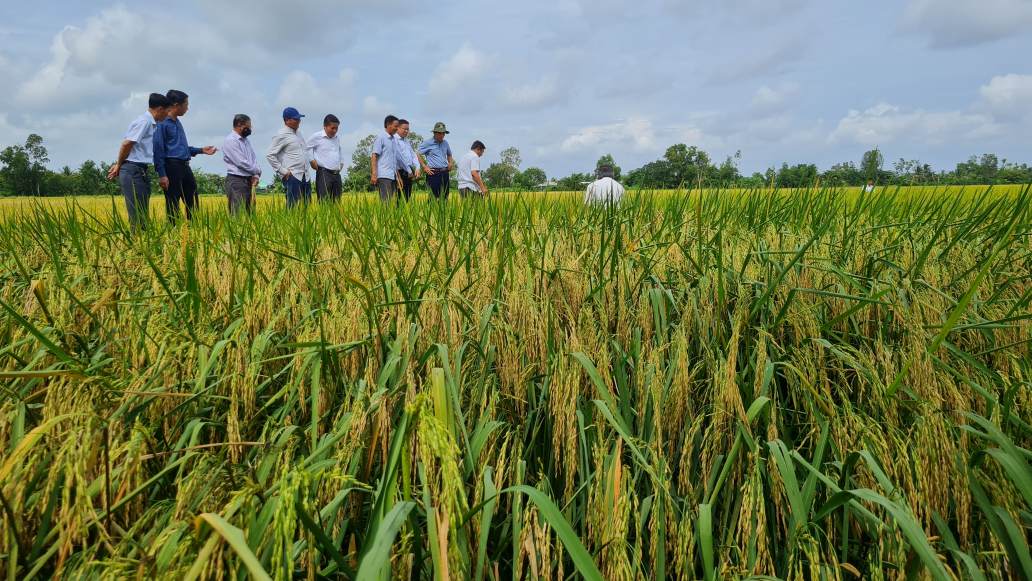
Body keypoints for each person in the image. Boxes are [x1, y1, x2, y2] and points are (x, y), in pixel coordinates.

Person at [107, 92, 170, 229]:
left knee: (142, 214)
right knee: (137, 215)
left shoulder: (150, 123)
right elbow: (127, 144)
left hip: (139, 170)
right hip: (133, 170)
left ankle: (143, 244)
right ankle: (137, 245)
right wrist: (119, 164)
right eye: (167, 111)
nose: (167, 115)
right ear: (160, 109)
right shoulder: (145, 122)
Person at [153, 90, 218, 223]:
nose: (187, 108)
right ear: (176, 105)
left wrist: (201, 150)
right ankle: (174, 232)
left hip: (184, 165)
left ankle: (193, 228)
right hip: (171, 166)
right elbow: (158, 150)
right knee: (173, 202)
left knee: (192, 196)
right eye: (186, 105)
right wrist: (162, 173)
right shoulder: (162, 124)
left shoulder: (177, 122)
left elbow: (180, 148)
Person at [266, 107, 311, 208]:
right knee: (292, 207)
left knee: (307, 207)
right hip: (293, 176)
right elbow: (269, 154)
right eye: (296, 119)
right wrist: (283, 171)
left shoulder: (299, 134)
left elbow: (305, 151)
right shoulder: (281, 135)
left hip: (305, 175)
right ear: (287, 120)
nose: (299, 121)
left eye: (299, 119)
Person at [222, 114, 261, 215]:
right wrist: (257, 171)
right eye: (248, 126)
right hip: (237, 181)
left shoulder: (246, 141)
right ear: (240, 125)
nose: (250, 129)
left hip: (249, 180)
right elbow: (241, 162)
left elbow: (253, 159)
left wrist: (256, 175)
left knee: (250, 213)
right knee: (238, 214)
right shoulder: (231, 141)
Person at [307, 114, 344, 202]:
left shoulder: (336, 138)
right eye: (332, 128)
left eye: (336, 128)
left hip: (336, 174)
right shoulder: (317, 136)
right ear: (325, 126)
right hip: (324, 173)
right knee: (324, 201)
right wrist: (311, 160)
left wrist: (341, 162)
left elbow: (339, 150)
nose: (335, 130)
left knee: (337, 201)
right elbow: (306, 148)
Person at [418, 122, 454, 199]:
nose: (442, 135)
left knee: (445, 197)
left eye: (443, 133)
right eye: (440, 133)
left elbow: (449, 154)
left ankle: (443, 211)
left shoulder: (445, 143)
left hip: (445, 172)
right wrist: (424, 166)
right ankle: (430, 211)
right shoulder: (427, 143)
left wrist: (450, 163)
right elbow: (417, 154)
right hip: (433, 173)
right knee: (433, 197)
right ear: (434, 133)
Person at [371, 115, 400, 201]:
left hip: (393, 176)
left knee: (393, 204)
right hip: (384, 176)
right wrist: (374, 174)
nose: (397, 128)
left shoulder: (394, 140)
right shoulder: (381, 138)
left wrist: (398, 177)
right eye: (395, 126)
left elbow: (394, 161)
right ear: (388, 125)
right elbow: (374, 156)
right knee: (386, 203)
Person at [394, 119, 421, 201]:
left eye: (407, 129)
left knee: (407, 197)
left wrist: (417, 167)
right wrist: (409, 170)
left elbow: (413, 155)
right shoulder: (394, 140)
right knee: (399, 197)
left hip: (408, 172)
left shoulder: (406, 141)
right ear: (397, 128)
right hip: (399, 172)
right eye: (404, 129)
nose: (406, 131)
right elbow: (399, 158)